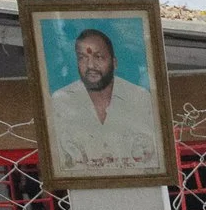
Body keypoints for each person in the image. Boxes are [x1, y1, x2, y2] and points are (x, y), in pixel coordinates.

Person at [44, 27, 162, 176]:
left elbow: (153, 160)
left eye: (99, 57)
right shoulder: (61, 101)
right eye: (83, 58)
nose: (90, 66)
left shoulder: (139, 98)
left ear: (114, 62)